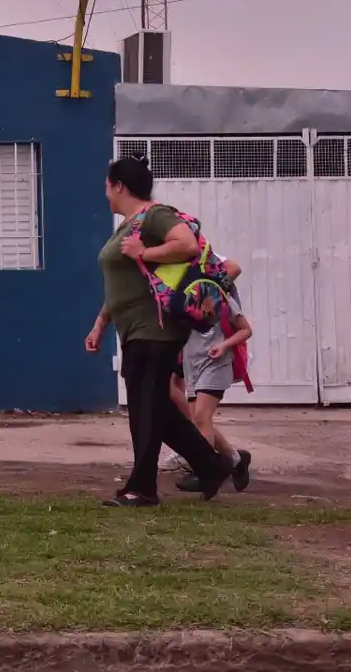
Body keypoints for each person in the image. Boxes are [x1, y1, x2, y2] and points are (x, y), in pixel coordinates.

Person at [85, 156, 234, 507]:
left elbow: (187, 245)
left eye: (108, 186)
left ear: (118, 185)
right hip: (135, 328)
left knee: (145, 409)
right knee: (157, 410)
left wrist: (145, 251)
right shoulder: (127, 225)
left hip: (157, 328)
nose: (105, 193)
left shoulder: (154, 215)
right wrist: (100, 323)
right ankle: (213, 465)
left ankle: (143, 488)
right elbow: (124, 283)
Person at [173, 266, 254, 494]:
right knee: (199, 422)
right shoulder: (183, 300)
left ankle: (205, 473)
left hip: (216, 363)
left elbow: (245, 330)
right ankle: (236, 461)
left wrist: (224, 345)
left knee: (201, 417)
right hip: (192, 366)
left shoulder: (222, 298)